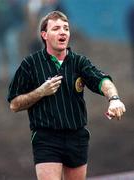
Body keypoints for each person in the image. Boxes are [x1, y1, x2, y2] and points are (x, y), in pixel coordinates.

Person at [7, 11, 126, 180]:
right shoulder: (30, 64)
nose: (63, 32)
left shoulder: (79, 62)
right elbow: (14, 104)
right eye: (56, 28)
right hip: (46, 137)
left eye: (66, 28)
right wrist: (41, 92)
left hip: (76, 136)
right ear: (44, 35)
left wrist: (114, 99)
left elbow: (103, 81)